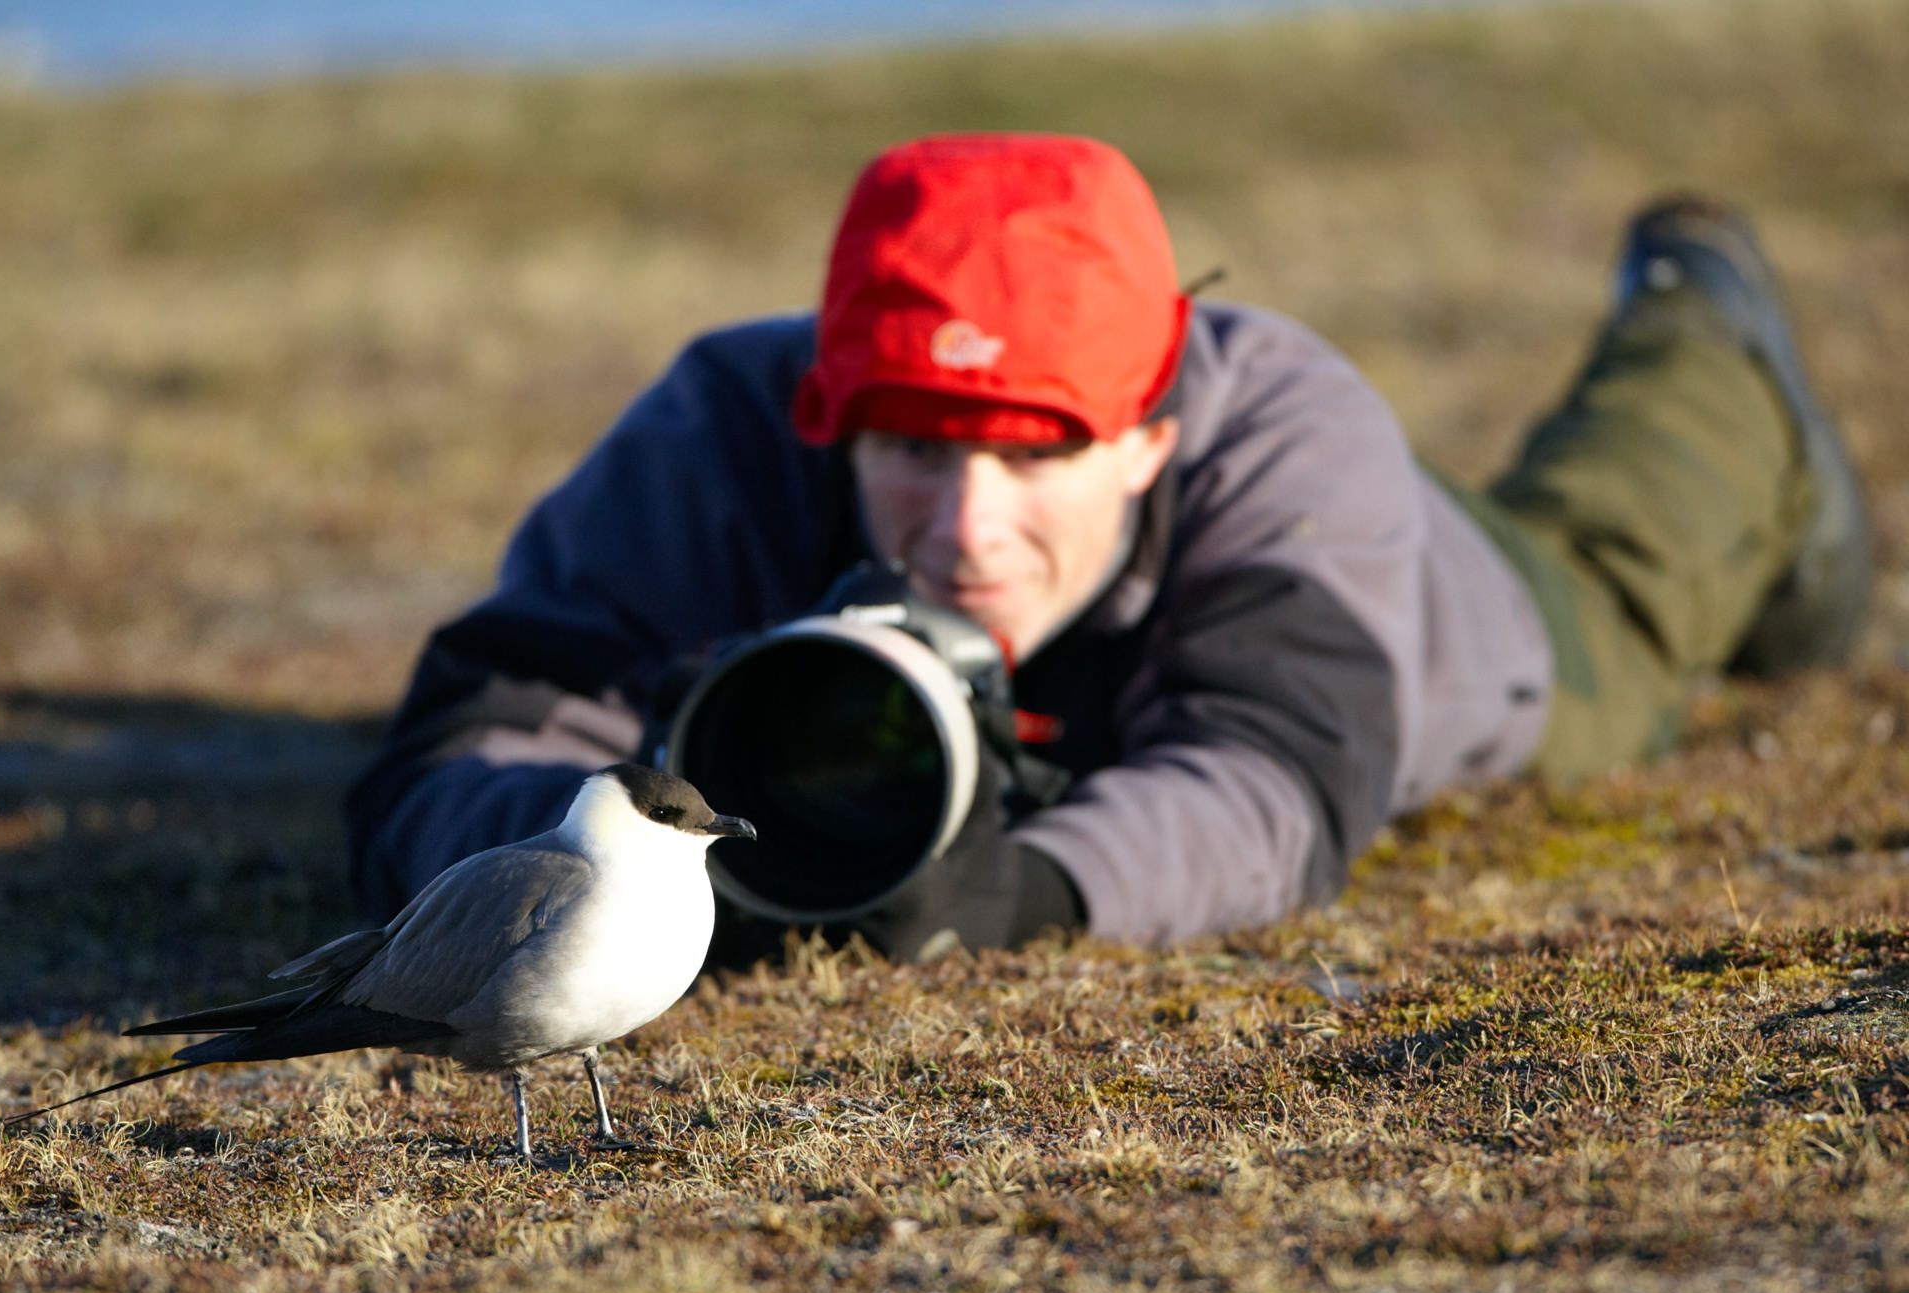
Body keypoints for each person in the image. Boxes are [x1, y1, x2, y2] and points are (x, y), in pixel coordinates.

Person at [345, 132, 1870, 959]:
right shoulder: (726, 425)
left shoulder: (1274, 422)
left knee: (1638, 526)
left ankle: (1703, 310)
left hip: (1500, 622)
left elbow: (1278, 782)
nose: (968, 532)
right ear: (830, 416)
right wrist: (628, 874)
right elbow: (450, 763)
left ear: (1154, 430)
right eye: (914, 454)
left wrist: (1025, 896)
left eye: (1036, 456)